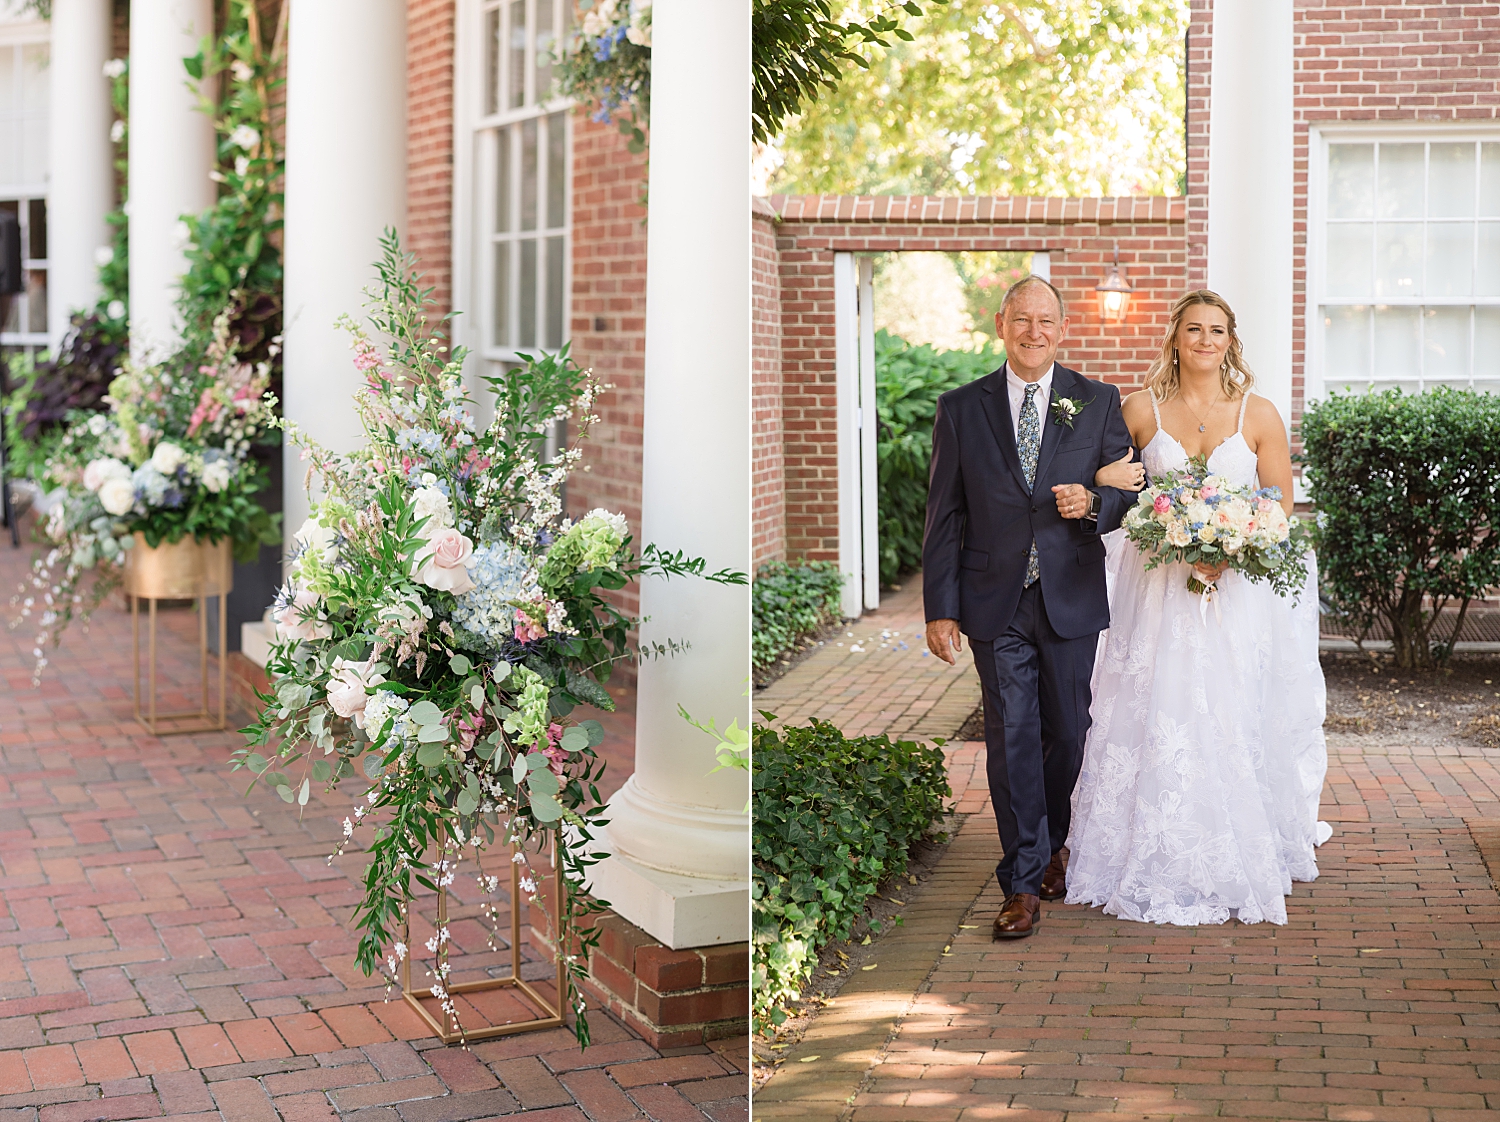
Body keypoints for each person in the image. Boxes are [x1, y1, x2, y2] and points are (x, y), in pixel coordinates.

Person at [1066, 289, 1329, 927]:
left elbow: (1279, 505)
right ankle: (1143, 843)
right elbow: (1103, 476)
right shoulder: (1138, 409)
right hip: (1158, 586)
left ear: (1230, 342)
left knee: (1232, 703)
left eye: (1217, 331)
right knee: (1160, 701)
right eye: (1194, 330)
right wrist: (1111, 486)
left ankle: (1239, 838)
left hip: (1235, 593)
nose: (1206, 341)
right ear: (1175, 340)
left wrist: (1229, 550)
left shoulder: (1259, 414)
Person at [922, 276, 1135, 940]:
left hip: (1069, 593)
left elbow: (1130, 488)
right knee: (1011, 733)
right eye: (1022, 319)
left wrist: (1095, 507)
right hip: (994, 601)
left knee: (1068, 733)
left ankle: (1055, 845)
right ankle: (1021, 881)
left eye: (1045, 320)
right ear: (1001, 323)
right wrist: (940, 605)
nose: (1033, 331)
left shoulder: (1097, 402)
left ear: (1062, 327)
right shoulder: (961, 408)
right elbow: (944, 515)